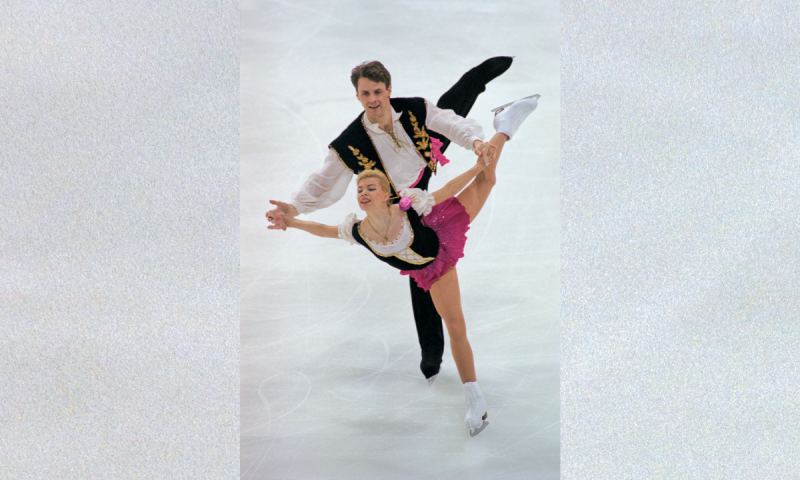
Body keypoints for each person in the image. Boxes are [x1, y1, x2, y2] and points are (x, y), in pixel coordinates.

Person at [269, 97, 538, 436]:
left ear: (386, 194)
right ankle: (476, 398)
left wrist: (476, 167)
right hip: (429, 269)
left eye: (371, 187)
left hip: (441, 231)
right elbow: (324, 230)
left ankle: (505, 126)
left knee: (488, 179)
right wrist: (290, 221)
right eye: (360, 189)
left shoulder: (408, 205)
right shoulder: (360, 230)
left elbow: (447, 190)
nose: (364, 192)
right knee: (453, 323)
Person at [266, 58, 515, 383]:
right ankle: (432, 352)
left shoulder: (412, 109)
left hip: (421, 169)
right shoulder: (351, 142)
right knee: (420, 268)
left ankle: (476, 79)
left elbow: (448, 123)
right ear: (357, 95)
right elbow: (323, 181)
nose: (372, 99)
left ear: (388, 90)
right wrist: (295, 209)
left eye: (378, 92)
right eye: (365, 93)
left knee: (446, 115)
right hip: (399, 201)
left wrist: (477, 143)